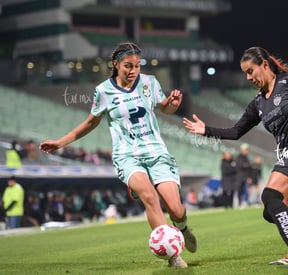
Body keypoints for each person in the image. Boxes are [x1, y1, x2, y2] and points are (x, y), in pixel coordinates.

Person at [39, 42, 197, 268]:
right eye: (127, 66)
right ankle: (173, 254)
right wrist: (60, 142)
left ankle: (182, 228)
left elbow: (164, 107)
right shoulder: (104, 91)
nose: (133, 71)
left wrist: (172, 104)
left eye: (137, 66)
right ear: (116, 64)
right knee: (150, 198)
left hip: (156, 152)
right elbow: (91, 122)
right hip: (127, 156)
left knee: (176, 208)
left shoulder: (150, 83)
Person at [183, 46, 288, 265]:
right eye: (245, 74)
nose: (249, 77)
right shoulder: (258, 103)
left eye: (251, 71)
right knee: (272, 212)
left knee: (269, 196)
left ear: (265, 65)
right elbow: (236, 131)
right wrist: (206, 130)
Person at [235, 143, 252, 207]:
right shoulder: (239, 157)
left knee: (247, 190)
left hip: (246, 177)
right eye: (246, 150)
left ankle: (246, 202)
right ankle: (240, 203)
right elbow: (241, 166)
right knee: (240, 190)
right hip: (240, 177)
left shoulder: (246, 157)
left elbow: (248, 168)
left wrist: (249, 177)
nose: (247, 151)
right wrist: (248, 165)